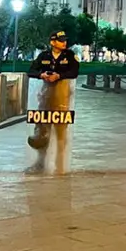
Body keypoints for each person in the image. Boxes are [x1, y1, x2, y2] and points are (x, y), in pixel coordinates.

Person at [26, 31, 81, 172]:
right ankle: (40, 163)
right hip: (45, 98)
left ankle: (60, 165)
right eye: (61, 40)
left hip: (62, 99)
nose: (64, 43)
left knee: (61, 133)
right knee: (43, 131)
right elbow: (31, 71)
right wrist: (41, 75)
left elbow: (74, 72)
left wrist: (59, 76)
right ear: (53, 42)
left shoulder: (69, 56)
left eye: (65, 40)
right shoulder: (44, 55)